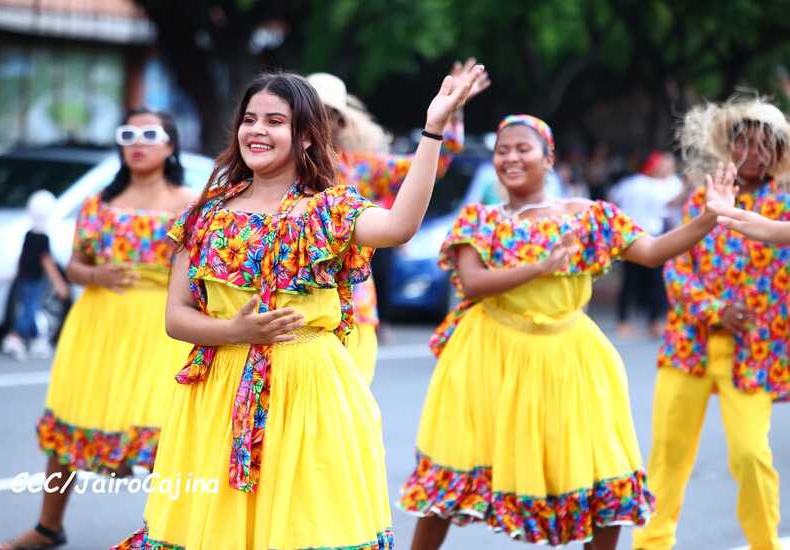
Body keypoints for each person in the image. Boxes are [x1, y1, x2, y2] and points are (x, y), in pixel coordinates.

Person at [113, 67, 482, 549]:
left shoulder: (329, 210)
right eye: (250, 119)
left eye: (274, 121)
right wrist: (235, 332)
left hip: (308, 389)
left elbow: (399, 226)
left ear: (307, 136)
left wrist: (433, 130)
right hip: (217, 392)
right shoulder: (205, 214)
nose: (257, 131)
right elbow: (176, 317)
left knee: (302, 527)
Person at [398, 114, 737, 550]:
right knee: (452, 473)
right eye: (503, 151)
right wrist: (537, 268)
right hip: (489, 356)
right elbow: (473, 282)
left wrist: (707, 219)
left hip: (570, 355)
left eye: (523, 148)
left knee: (599, 470)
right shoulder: (480, 220)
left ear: (549, 157)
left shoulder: (589, 217)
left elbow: (652, 252)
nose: (511, 158)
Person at [0, 109, 196, 550]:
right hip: (98, 326)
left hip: (163, 328)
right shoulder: (98, 204)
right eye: (128, 134)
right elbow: (75, 266)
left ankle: (169, 536)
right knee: (72, 420)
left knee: (167, 434)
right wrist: (95, 277)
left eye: (149, 133)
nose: (137, 142)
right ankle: (49, 526)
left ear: (170, 144)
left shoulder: (192, 203)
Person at [633, 98, 790, 550]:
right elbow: (676, 268)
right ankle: (652, 544)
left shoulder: (783, 206)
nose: (754, 154)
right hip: (689, 347)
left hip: (755, 352)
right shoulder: (703, 198)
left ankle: (766, 544)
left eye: (765, 146)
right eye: (745, 143)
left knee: (750, 455)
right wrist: (714, 309)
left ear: (778, 153)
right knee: (668, 458)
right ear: (730, 146)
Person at [307, 59, 490, 383]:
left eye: (326, 113)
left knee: (351, 413)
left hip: (353, 310)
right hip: (290, 316)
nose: (316, 122)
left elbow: (433, 163)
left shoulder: (360, 169)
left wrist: (450, 114)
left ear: (340, 123)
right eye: (308, 111)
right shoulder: (270, 173)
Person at [609, 151, 684, 337]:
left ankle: (654, 321)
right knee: (631, 282)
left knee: (656, 282)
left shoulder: (671, 182)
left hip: (656, 236)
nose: (668, 167)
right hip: (632, 237)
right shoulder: (635, 183)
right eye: (664, 164)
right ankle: (624, 321)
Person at [1, 190, 70, 361]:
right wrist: (60, 283)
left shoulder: (29, 235)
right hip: (34, 279)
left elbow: (22, 257)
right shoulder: (42, 238)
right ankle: (16, 336)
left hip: (25, 277)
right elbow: (47, 261)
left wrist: (15, 274)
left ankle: (36, 340)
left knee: (29, 307)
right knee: (31, 308)